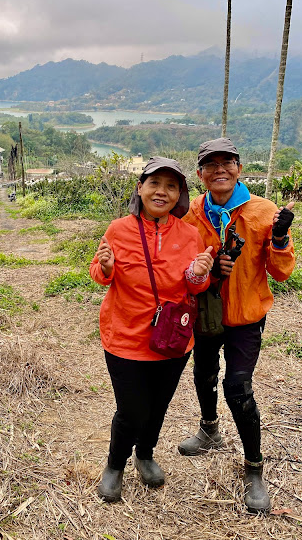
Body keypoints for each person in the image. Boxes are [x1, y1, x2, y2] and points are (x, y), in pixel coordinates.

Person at [178, 138, 295, 514]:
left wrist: (279, 237)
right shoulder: (192, 212)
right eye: (210, 165)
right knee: (203, 373)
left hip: (246, 315)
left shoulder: (263, 211)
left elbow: (281, 272)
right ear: (200, 175)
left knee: (238, 388)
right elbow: (181, 263)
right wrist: (207, 275)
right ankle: (209, 428)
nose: (219, 170)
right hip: (207, 313)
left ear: (239, 168)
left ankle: (254, 468)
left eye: (227, 162)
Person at [89, 156, 214, 502]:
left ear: (180, 195)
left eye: (171, 186)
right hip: (125, 337)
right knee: (132, 410)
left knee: (159, 404)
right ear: (140, 188)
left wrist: (200, 273)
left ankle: (144, 453)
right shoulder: (118, 229)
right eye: (155, 183)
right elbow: (100, 276)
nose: (162, 191)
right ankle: (115, 465)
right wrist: (106, 266)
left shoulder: (190, 234)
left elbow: (193, 285)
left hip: (171, 338)